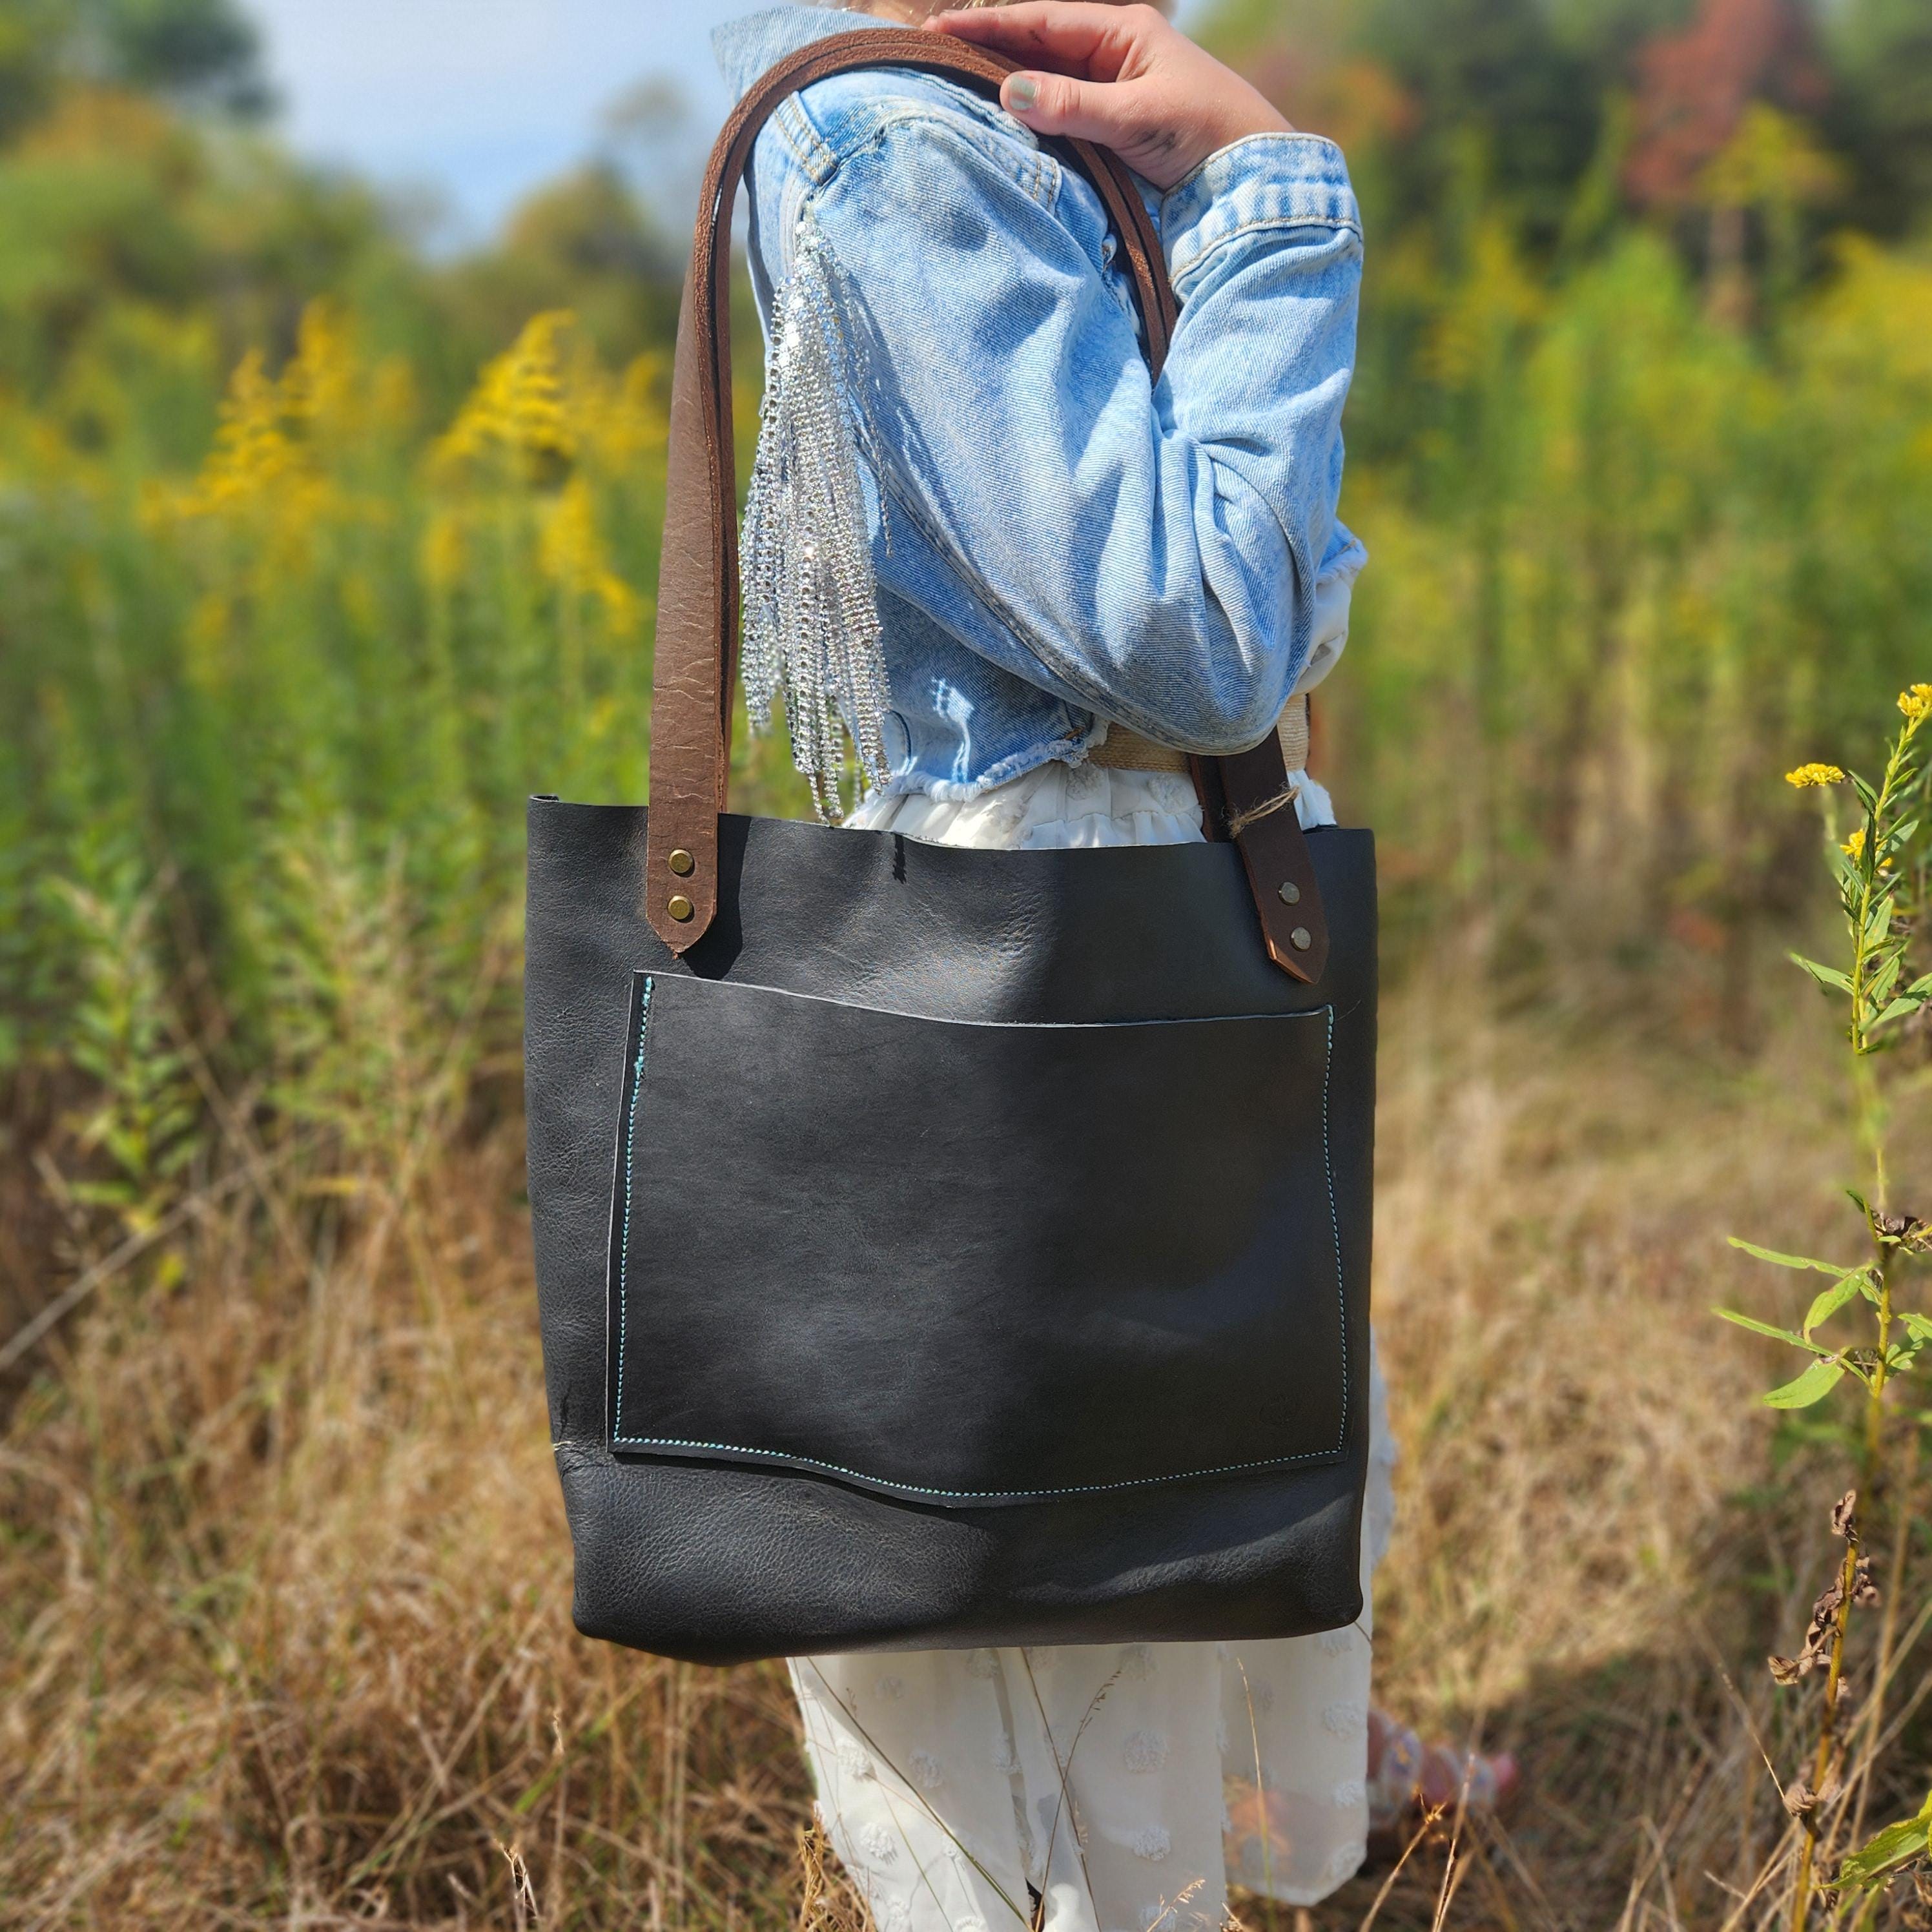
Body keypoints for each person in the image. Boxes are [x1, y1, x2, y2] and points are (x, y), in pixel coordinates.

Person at [712, 1, 1514, 1921]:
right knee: (1074, 1575)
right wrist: (1270, 193)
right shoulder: (909, 148)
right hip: (1067, 945)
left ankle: (1248, 1798)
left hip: (1127, 905)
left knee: (1171, 1494)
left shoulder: (986, 123)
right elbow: (1206, 632)